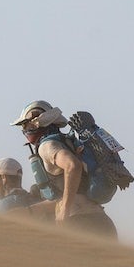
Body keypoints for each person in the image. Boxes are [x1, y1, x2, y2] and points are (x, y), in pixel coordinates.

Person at [12, 101, 117, 238]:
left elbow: (72, 166)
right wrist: (28, 212)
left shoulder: (47, 146)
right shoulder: (69, 143)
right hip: (102, 221)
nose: (25, 129)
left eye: (26, 124)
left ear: (36, 122)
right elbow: (65, 196)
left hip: (79, 223)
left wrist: (64, 211)